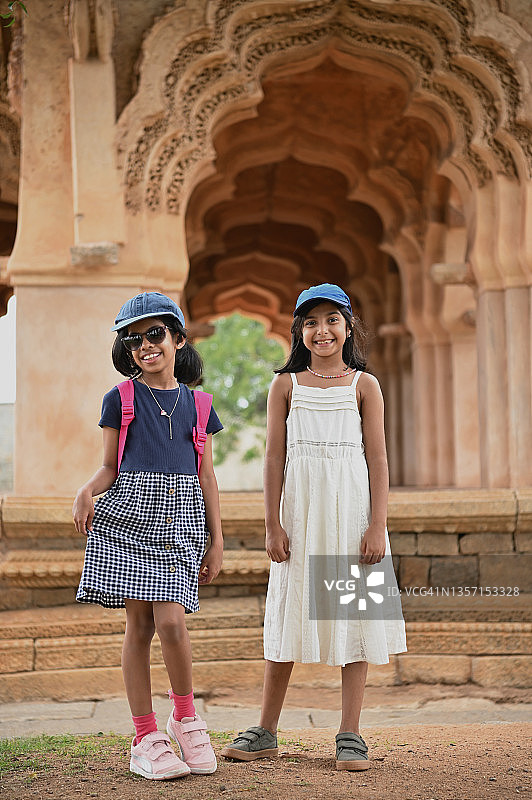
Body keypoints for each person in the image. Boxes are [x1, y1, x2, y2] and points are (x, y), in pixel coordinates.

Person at [221, 283, 406, 771]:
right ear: (299, 332)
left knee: (355, 616)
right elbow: (274, 458)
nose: (321, 331)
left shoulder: (364, 385)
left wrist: (377, 525)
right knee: (287, 614)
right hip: (300, 517)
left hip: (352, 514)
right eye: (310, 322)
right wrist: (272, 525)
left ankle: (350, 732)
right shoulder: (286, 385)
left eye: (331, 321)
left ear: (348, 328)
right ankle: (266, 729)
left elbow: (379, 458)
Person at [73, 292, 224, 781]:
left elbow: (206, 477)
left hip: (181, 522)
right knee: (138, 629)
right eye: (133, 339)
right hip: (129, 523)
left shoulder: (199, 405)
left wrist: (216, 540)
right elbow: (109, 467)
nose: (144, 345)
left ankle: (185, 718)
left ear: (179, 338)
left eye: (155, 334)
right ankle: (145, 736)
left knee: (174, 625)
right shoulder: (120, 399)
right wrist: (86, 491)